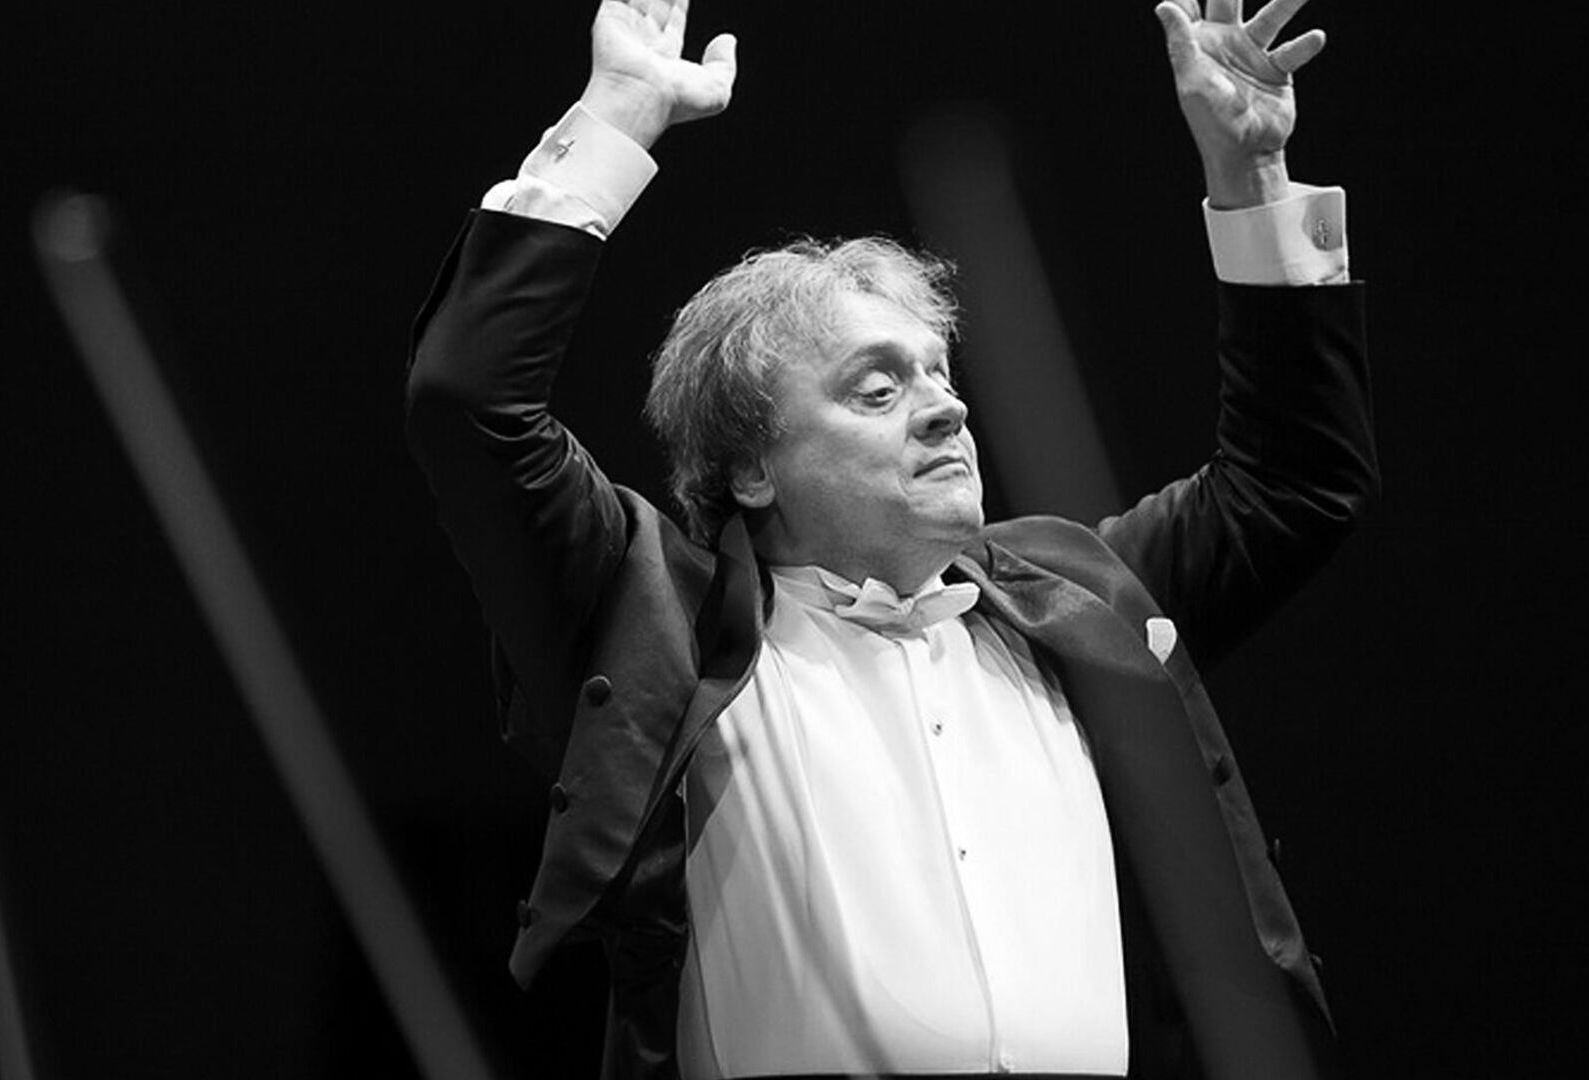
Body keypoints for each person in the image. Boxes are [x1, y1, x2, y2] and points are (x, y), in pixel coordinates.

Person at [406, 0, 1377, 1076]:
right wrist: (616, 119)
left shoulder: (1082, 597)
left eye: (940, 375)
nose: (946, 408)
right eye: (877, 390)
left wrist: (1251, 182)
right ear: (750, 467)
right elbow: (470, 401)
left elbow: (1293, 482)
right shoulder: (653, 622)